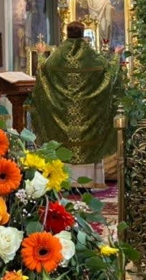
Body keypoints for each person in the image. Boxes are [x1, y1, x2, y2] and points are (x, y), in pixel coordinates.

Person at [31, 21, 121, 186]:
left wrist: (41, 54)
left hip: (64, 114)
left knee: (63, 144)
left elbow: (43, 71)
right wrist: (116, 56)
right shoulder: (92, 57)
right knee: (90, 142)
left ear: (67, 33)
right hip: (88, 114)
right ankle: (90, 181)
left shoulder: (58, 56)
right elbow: (110, 72)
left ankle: (65, 181)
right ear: (83, 33)